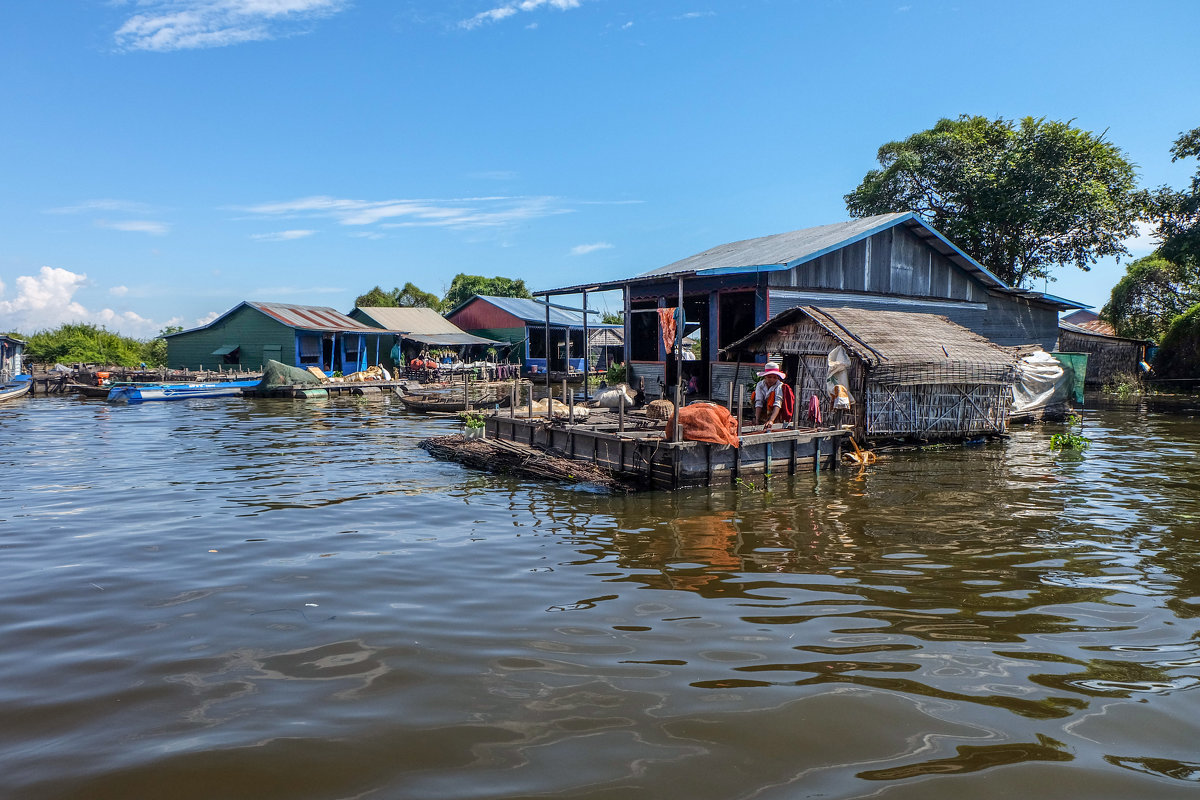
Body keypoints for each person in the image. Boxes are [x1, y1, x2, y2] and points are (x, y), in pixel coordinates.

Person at [753, 361, 790, 431]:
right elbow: (758, 402)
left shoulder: (779, 385)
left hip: (775, 414)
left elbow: (778, 403)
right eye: (769, 377)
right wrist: (757, 419)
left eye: (774, 377)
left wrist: (771, 420)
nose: (772, 380)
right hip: (763, 413)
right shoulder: (760, 385)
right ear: (765, 376)